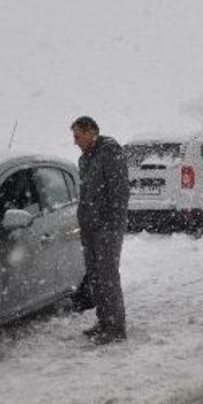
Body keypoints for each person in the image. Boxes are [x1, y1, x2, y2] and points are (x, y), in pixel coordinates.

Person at [71, 116, 130, 344]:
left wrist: (111, 223)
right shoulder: (84, 160)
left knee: (108, 277)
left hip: (107, 227)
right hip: (89, 227)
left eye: (78, 135)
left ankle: (116, 327)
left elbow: (119, 192)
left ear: (91, 132)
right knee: (95, 277)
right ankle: (103, 321)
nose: (75, 141)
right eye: (74, 136)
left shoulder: (110, 153)